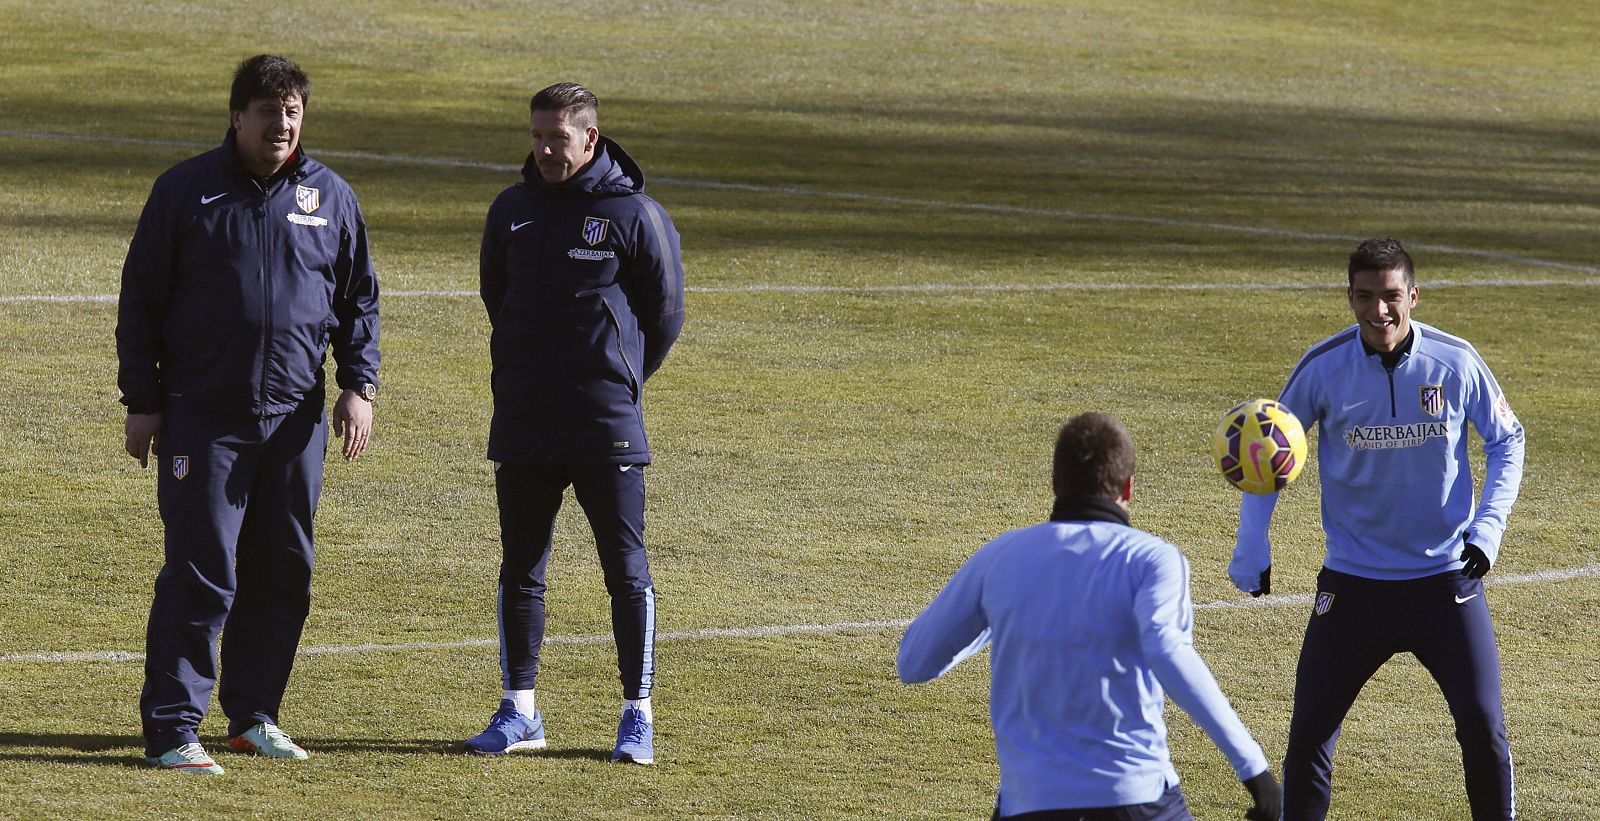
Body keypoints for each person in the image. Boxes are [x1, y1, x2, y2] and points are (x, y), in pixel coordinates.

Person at [116, 54, 380, 775]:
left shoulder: (331, 198)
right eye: (268, 111)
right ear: (237, 117)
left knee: (283, 570)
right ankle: (172, 728)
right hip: (204, 418)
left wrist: (358, 385)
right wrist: (143, 402)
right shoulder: (185, 192)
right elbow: (141, 299)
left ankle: (253, 715)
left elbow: (359, 299)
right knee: (202, 572)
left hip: (294, 421)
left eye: (293, 111)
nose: (282, 123)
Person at [1229, 238, 1524, 819]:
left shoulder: (1455, 361)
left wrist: (1488, 529)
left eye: (1391, 296)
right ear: (1350, 297)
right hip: (1353, 585)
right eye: (1365, 297)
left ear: (1413, 294)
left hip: (1446, 584)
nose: (1379, 311)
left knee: (1484, 729)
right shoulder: (1323, 367)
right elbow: (1267, 447)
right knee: (1309, 737)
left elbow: (1508, 440)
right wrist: (1251, 541)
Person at [899, 413, 1282, 820]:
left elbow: (913, 663)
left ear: (1055, 485)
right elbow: (1168, 650)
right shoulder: (1153, 559)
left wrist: (999, 614)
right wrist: (1253, 768)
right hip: (1135, 798)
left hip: (1029, 804)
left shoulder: (998, 558)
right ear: (1128, 486)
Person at [467, 82, 684, 765]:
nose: (544, 149)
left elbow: (665, 312)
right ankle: (520, 710)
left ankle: (637, 715)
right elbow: (495, 294)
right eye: (536, 136)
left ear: (589, 139)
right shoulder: (511, 210)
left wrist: (617, 379)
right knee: (521, 567)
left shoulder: (633, 214)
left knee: (625, 570)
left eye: (557, 138)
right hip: (526, 420)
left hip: (604, 424)